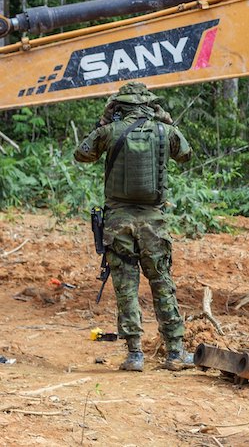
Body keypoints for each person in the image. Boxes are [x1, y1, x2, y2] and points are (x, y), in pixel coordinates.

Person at [75, 82, 193, 371]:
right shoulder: (164, 131)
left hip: (118, 223)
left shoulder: (108, 131)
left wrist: (102, 121)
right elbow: (186, 154)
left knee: (126, 287)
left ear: (119, 106)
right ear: (149, 104)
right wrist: (167, 121)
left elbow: (82, 154)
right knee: (162, 283)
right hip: (154, 222)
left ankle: (135, 355)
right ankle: (175, 352)